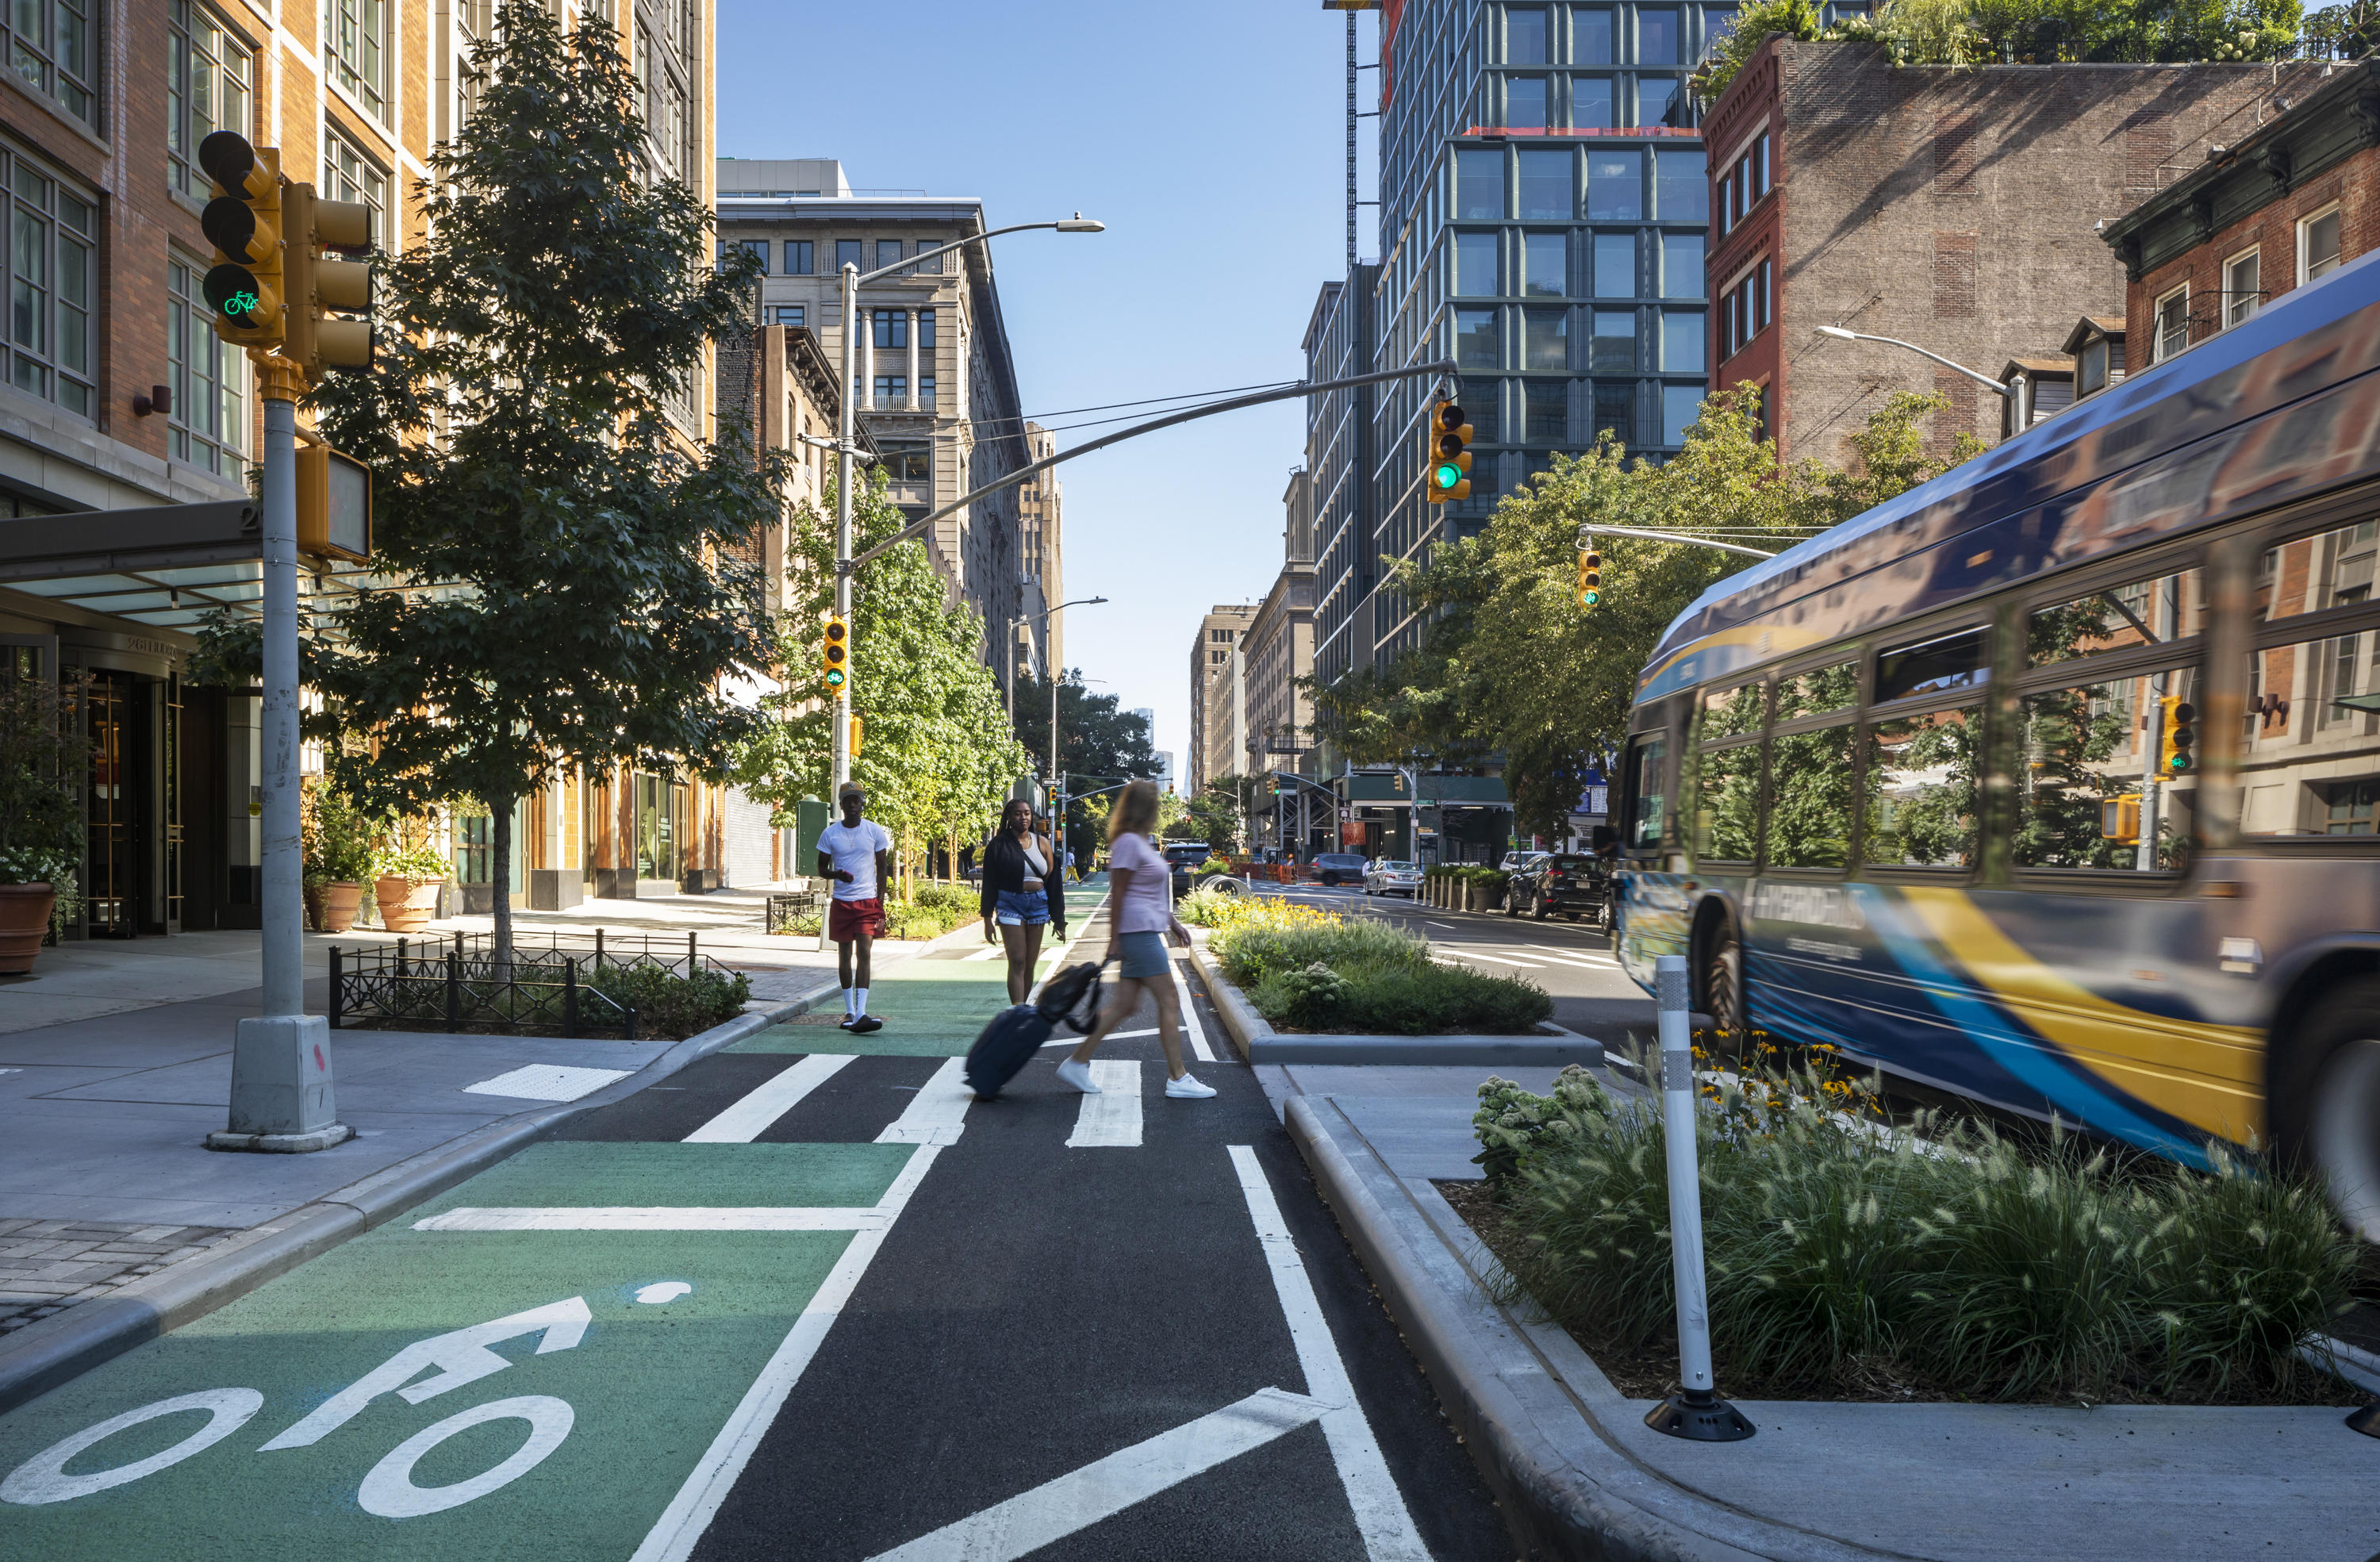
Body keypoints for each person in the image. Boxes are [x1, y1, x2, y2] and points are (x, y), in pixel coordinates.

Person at [1060, 779, 1214, 1100]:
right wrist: (1113, 940)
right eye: (1154, 802)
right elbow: (1119, 893)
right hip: (1138, 935)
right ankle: (1178, 1077)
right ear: (1145, 806)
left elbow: (1149, 892)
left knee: (1124, 1006)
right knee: (1169, 1000)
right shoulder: (1129, 842)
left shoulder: (1141, 841)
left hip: (1144, 930)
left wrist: (1172, 923)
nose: (1158, 806)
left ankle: (1077, 1062)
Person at [816, 783, 892, 1032]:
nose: (852, 805)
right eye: (848, 800)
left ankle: (861, 1013)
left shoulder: (874, 831)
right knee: (844, 956)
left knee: (865, 954)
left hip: (867, 902)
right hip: (842, 902)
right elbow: (821, 869)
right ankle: (849, 1011)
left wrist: (880, 903)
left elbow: (882, 868)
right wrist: (837, 873)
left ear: (862, 803)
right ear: (841, 804)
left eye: (856, 800)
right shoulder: (830, 834)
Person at [978, 798, 1067, 1005]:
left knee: (1029, 964)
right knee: (1017, 960)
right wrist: (987, 918)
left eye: (1026, 813)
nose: (1023, 817)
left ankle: (1024, 1008)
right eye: (1018, 813)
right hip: (1010, 904)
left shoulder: (1042, 843)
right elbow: (990, 882)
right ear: (1009, 817)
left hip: (1038, 905)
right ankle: (1017, 1011)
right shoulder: (998, 845)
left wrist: (1059, 920)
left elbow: (1053, 884)